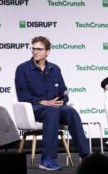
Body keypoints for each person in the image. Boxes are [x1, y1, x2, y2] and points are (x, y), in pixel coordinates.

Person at [14, 36, 89, 171]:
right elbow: (22, 95)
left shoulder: (55, 69)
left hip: (54, 108)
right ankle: (47, 159)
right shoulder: (22, 69)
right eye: (33, 49)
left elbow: (63, 91)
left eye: (39, 49)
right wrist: (42, 102)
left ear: (47, 52)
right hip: (34, 109)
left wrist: (62, 100)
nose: (35, 52)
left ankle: (86, 155)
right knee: (52, 111)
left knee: (70, 111)